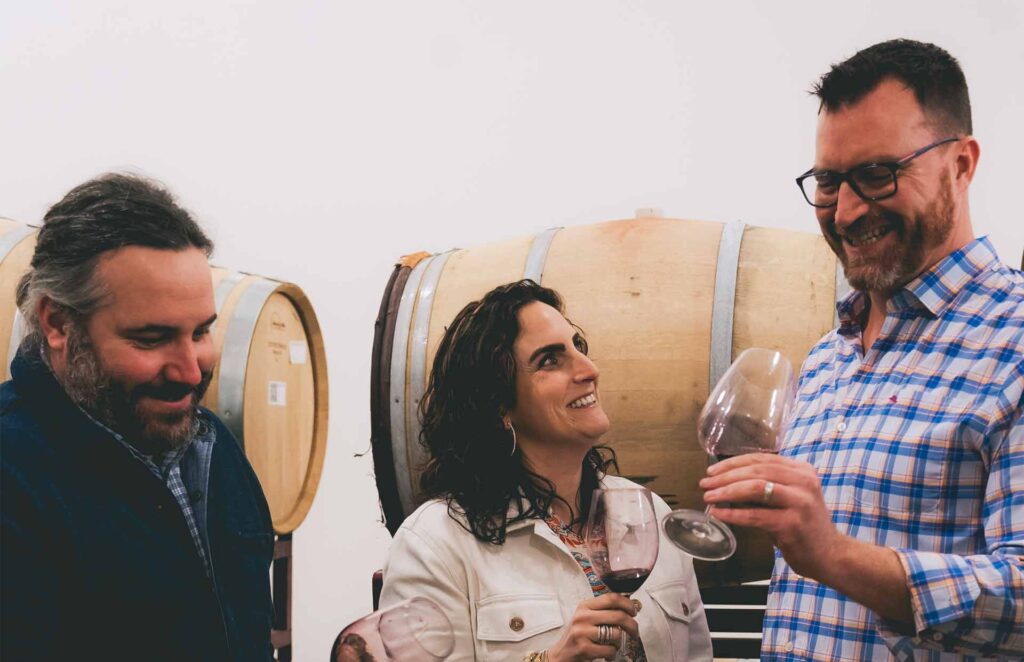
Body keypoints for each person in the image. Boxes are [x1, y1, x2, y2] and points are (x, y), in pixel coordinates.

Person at [700, 39, 1023, 659]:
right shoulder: (826, 358)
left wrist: (835, 556)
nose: (846, 211)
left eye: (878, 175)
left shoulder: (1014, 341)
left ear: (961, 163)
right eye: (828, 181)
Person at [1, 174, 275, 661]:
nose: (190, 371)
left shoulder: (216, 452)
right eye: (152, 339)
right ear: (59, 323)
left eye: (200, 333)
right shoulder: (15, 478)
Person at [380, 279, 712, 661]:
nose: (589, 369)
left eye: (579, 347)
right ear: (498, 404)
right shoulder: (434, 544)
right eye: (550, 360)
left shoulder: (649, 514)